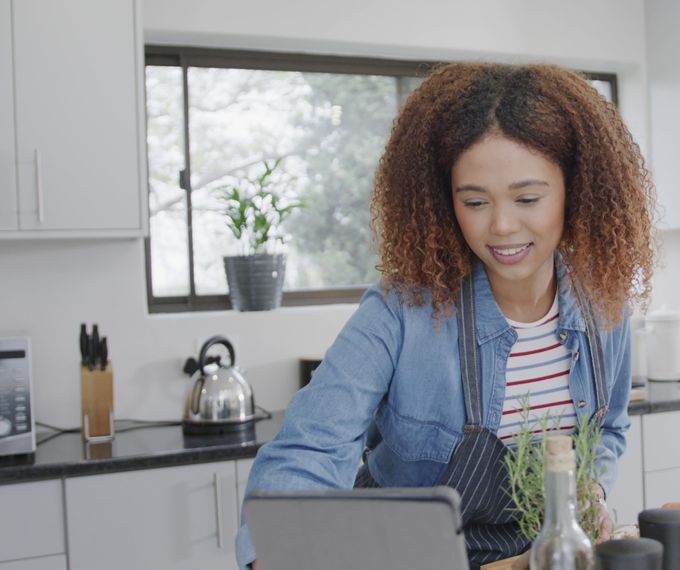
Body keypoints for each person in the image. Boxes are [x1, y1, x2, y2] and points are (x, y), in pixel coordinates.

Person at [235, 62, 657, 569]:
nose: (501, 225)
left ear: (576, 190)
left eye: (527, 198)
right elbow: (310, 449)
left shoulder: (603, 304)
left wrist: (588, 487)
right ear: (443, 201)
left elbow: (608, 427)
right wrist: (278, 553)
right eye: (475, 201)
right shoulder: (403, 310)